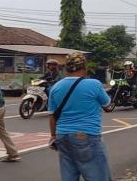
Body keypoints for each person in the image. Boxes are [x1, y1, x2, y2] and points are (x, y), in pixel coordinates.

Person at [48, 52, 112, 181]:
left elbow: (52, 116)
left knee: (69, 176)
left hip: (62, 137)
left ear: (66, 68)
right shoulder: (94, 84)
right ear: (84, 67)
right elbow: (107, 105)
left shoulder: (56, 87)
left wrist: (53, 136)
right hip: (86, 136)